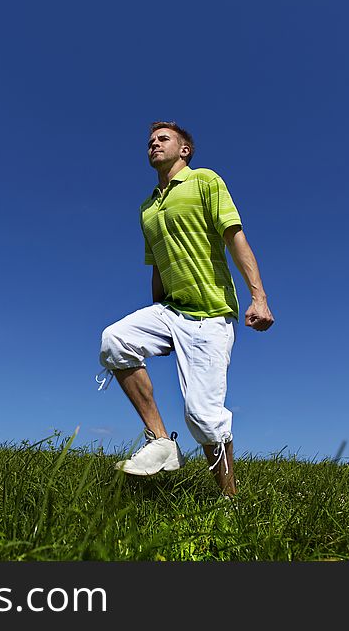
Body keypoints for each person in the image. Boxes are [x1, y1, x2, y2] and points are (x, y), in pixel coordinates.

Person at [97, 121, 274, 496]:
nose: (154, 145)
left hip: (211, 316)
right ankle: (160, 441)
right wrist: (157, 319)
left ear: (184, 150)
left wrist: (258, 297)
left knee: (203, 419)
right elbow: (158, 268)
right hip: (171, 311)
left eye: (163, 139)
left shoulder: (205, 181)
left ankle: (230, 500)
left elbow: (235, 238)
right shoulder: (148, 209)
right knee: (115, 340)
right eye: (149, 142)